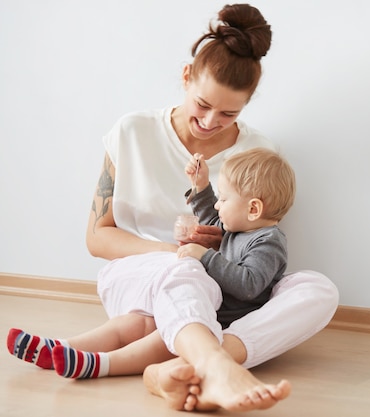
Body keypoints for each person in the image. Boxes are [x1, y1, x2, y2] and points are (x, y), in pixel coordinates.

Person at [8, 3, 338, 412]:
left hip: (220, 295)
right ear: (186, 77)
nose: (211, 121)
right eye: (202, 104)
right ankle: (216, 364)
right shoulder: (133, 132)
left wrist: (208, 248)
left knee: (318, 288)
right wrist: (181, 254)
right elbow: (98, 237)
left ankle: (183, 366)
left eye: (229, 113)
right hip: (142, 278)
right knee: (184, 270)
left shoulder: (258, 155)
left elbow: (246, 243)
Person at [8, 147, 297, 410]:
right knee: (132, 322)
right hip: (199, 306)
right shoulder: (238, 228)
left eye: (223, 199)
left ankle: (100, 364)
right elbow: (212, 218)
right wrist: (200, 187)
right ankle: (64, 346)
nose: (218, 206)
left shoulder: (268, 243)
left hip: (221, 321)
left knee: (158, 340)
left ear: (254, 209)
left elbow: (248, 285)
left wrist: (205, 257)